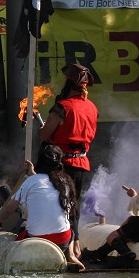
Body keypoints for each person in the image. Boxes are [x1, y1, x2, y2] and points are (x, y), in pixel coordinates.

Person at [0, 144, 84, 270]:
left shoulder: (31, 181)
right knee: (68, 225)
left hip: (36, 241)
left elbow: (8, 209)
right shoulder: (66, 181)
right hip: (62, 242)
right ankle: (70, 255)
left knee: (20, 223)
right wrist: (32, 173)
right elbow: (47, 183)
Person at [39, 63, 98, 201]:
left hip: (61, 165)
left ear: (68, 84)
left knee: (58, 206)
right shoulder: (92, 107)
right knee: (73, 210)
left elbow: (44, 135)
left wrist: (42, 129)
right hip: (82, 164)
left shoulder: (63, 107)